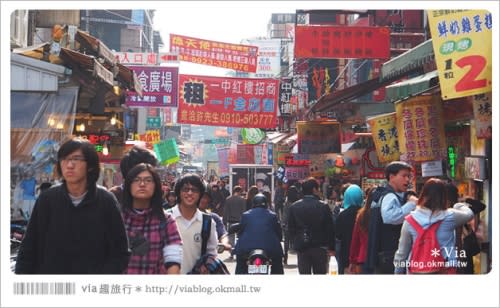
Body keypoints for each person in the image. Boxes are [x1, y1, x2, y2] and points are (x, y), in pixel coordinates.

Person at [15, 138, 130, 274]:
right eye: (64, 159)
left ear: (91, 165)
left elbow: (121, 252)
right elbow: (29, 248)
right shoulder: (48, 199)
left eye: (76, 159)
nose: (69, 165)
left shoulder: (106, 201)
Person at [393, 178, 474, 274]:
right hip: (445, 271)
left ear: (423, 194)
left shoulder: (410, 221)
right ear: (444, 196)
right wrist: (459, 205)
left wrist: (397, 273)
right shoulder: (450, 216)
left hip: (417, 272)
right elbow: (469, 214)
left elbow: (402, 254)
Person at [121, 163, 182, 274]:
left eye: (148, 180)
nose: (142, 184)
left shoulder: (166, 221)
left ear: (156, 186)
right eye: (136, 180)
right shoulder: (117, 219)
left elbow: (173, 259)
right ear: (129, 185)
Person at [364, 161, 418, 274]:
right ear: (392, 177)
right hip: (389, 254)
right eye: (404, 176)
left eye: (409, 176)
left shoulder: (380, 194)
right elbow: (390, 217)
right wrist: (412, 204)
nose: (407, 180)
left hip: (380, 254)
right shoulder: (389, 196)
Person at [168, 173, 218, 274]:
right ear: (179, 192)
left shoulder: (207, 222)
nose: (190, 193)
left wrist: (206, 265)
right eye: (186, 189)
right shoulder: (166, 218)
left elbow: (212, 253)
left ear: (200, 194)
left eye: (194, 190)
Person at [287, 177, 336, 274]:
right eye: (318, 189)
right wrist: (331, 248)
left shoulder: (294, 207)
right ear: (314, 189)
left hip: (302, 247)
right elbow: (330, 229)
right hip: (320, 247)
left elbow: (291, 229)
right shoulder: (323, 206)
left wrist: (296, 243)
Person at [233, 193, 284, 274]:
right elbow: (278, 231)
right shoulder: (272, 215)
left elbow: (240, 230)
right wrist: (280, 238)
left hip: (246, 248)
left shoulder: (245, 215)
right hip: (270, 248)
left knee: (241, 264)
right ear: (266, 203)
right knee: (277, 264)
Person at [445, 183, 486, 274]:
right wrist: (466, 199)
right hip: (463, 248)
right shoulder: (461, 208)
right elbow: (480, 206)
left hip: (451, 249)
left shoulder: (444, 209)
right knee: (467, 270)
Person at [335, 184, 364, 274]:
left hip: (346, 254)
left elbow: (338, 235)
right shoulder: (366, 213)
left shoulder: (342, 215)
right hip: (362, 255)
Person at [348, 186, 375, 274]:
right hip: (379, 259)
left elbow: (355, 240)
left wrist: (352, 260)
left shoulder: (362, 215)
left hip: (363, 257)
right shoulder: (384, 215)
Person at [223, 185, 247, 258]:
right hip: (240, 221)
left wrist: (224, 220)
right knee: (240, 238)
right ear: (239, 191)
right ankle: (239, 252)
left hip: (231, 221)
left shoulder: (228, 199)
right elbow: (244, 211)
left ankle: (231, 253)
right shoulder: (242, 200)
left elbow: (226, 211)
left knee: (231, 239)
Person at [282, 185, 301, 265]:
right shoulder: (298, 202)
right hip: (297, 225)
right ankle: (300, 258)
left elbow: (285, 214)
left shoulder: (287, 202)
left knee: (286, 242)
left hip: (288, 225)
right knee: (298, 242)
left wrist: (284, 223)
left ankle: (285, 256)